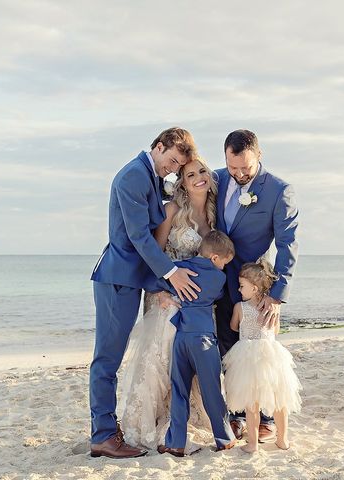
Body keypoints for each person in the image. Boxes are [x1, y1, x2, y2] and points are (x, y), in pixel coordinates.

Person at [89, 127, 202, 459]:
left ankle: (107, 431)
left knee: (112, 358)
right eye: (169, 161)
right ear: (158, 145)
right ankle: (103, 436)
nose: (170, 169)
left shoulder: (151, 175)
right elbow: (139, 237)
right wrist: (170, 273)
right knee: (107, 360)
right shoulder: (133, 176)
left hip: (134, 280)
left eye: (175, 166)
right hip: (117, 279)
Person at [118, 156, 218, 451]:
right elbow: (152, 254)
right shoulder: (171, 210)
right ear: (183, 184)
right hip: (165, 296)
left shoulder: (214, 217)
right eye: (190, 175)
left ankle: (183, 420)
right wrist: (160, 291)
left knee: (191, 360)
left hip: (196, 302)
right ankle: (157, 422)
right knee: (162, 359)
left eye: (202, 171)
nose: (199, 177)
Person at [215, 129, 299, 442]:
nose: (238, 174)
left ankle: (266, 419)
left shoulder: (279, 190)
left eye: (245, 169)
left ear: (259, 156)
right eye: (232, 167)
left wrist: (276, 296)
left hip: (254, 289)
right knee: (228, 351)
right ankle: (238, 414)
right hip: (218, 285)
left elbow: (288, 244)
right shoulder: (217, 178)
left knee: (261, 352)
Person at [143, 230, 237, 457]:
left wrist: (166, 290)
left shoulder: (181, 268)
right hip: (203, 340)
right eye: (224, 263)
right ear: (215, 258)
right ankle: (224, 437)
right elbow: (218, 295)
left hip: (181, 338)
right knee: (211, 389)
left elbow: (154, 280)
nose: (224, 268)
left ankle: (176, 442)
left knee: (179, 390)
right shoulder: (219, 278)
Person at [223, 260, 302, 453]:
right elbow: (276, 329)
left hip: (247, 358)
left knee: (252, 404)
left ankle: (253, 444)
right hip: (271, 356)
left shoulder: (240, 307)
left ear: (255, 288)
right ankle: (282, 440)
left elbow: (234, 327)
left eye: (242, 286)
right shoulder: (273, 307)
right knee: (279, 400)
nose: (239, 290)